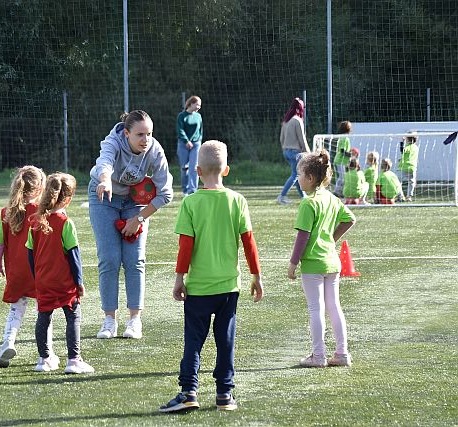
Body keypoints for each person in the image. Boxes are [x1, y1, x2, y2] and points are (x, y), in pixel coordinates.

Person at [159, 140, 263, 413]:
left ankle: (188, 392)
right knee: (225, 340)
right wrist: (256, 275)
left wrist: (179, 278)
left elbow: (186, 246)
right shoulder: (237, 200)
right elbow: (249, 242)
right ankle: (224, 395)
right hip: (229, 286)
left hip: (199, 288)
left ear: (197, 170)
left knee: (194, 341)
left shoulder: (191, 203)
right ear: (226, 170)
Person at [89, 110, 174, 340]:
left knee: (135, 260)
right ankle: (109, 321)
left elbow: (166, 193)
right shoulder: (113, 142)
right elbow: (103, 163)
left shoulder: (154, 150)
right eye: (140, 135)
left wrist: (139, 218)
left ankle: (135, 320)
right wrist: (105, 180)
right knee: (109, 258)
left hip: (136, 203)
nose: (145, 140)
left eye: (149, 134)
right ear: (127, 133)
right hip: (104, 198)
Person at [288, 149, 355, 368]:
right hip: (332, 262)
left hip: (314, 264)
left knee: (316, 309)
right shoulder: (331, 198)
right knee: (334, 307)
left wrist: (293, 263)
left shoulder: (309, 203)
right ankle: (342, 353)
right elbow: (350, 219)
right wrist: (331, 240)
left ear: (310, 178)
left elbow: (303, 236)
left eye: (299, 175)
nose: (298, 179)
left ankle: (318, 356)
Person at [27, 172, 94, 374]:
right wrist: (79, 282)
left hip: (44, 282)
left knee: (43, 317)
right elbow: (74, 256)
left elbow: (30, 254)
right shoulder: (66, 223)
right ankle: (74, 360)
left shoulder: (35, 223)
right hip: (64, 282)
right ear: (68, 198)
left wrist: (37, 278)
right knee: (73, 317)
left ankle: (44, 359)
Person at [0, 166, 46, 368]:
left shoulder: (7, 213)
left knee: (17, 309)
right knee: (44, 310)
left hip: (16, 272)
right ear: (40, 189)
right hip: (39, 270)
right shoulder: (42, 213)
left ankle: (8, 341)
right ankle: (45, 353)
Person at [277, 97, 311, 205]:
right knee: (295, 175)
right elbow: (302, 138)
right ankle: (282, 196)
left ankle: (304, 197)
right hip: (295, 152)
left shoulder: (286, 121)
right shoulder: (297, 120)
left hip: (286, 151)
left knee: (296, 174)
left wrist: (284, 148)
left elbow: (281, 138)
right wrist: (308, 153)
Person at [176, 95, 203, 196]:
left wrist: (198, 140)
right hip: (183, 144)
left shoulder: (198, 116)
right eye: (197, 104)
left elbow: (200, 130)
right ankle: (185, 190)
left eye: (200, 105)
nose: (198, 107)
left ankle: (192, 190)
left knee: (194, 167)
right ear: (191, 104)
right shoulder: (181, 116)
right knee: (184, 167)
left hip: (196, 144)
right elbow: (180, 130)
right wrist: (187, 141)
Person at [332, 121, 353, 197]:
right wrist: (350, 155)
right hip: (340, 161)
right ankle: (337, 192)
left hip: (341, 161)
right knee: (342, 178)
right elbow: (342, 150)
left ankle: (339, 192)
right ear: (348, 129)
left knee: (342, 177)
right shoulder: (344, 138)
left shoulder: (343, 137)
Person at [398, 132, 419, 202]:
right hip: (413, 167)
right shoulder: (416, 148)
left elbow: (402, 150)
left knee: (398, 182)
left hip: (404, 166)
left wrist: (402, 142)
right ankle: (409, 196)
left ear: (407, 139)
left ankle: (401, 196)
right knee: (412, 182)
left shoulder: (407, 147)